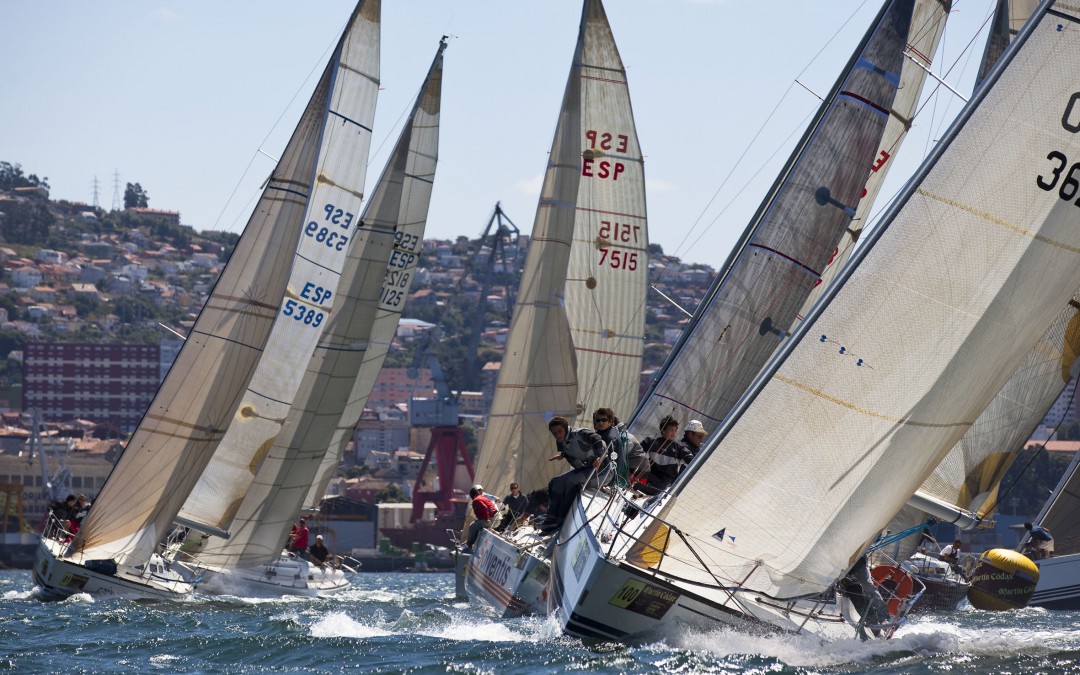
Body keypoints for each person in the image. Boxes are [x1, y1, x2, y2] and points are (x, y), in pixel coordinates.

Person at [542, 416, 609, 530]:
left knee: (570, 482)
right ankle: (551, 518)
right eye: (554, 433)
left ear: (565, 428)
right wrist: (563, 455)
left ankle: (562, 519)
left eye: (559, 431)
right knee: (554, 483)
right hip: (586, 469)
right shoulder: (561, 442)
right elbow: (573, 448)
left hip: (601, 470)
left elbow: (597, 439)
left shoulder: (580, 433)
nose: (558, 435)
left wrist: (599, 457)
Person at [592, 408, 648, 486]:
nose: (600, 423)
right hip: (632, 466)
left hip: (638, 470)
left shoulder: (618, 437)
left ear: (611, 422)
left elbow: (617, 458)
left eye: (604, 420)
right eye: (597, 420)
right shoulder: (609, 433)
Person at [640, 415, 693, 495]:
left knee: (660, 487)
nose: (673, 433)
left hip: (664, 485)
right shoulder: (651, 442)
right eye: (671, 430)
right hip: (651, 477)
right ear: (663, 431)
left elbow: (692, 460)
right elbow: (637, 451)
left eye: (675, 430)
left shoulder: (679, 449)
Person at [464, 485, 498, 551]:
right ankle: (470, 543)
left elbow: (485, 508)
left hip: (491, 520)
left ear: (472, 495)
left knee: (473, 526)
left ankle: (469, 546)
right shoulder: (481, 497)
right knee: (477, 524)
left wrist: (487, 519)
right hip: (495, 518)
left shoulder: (476, 500)